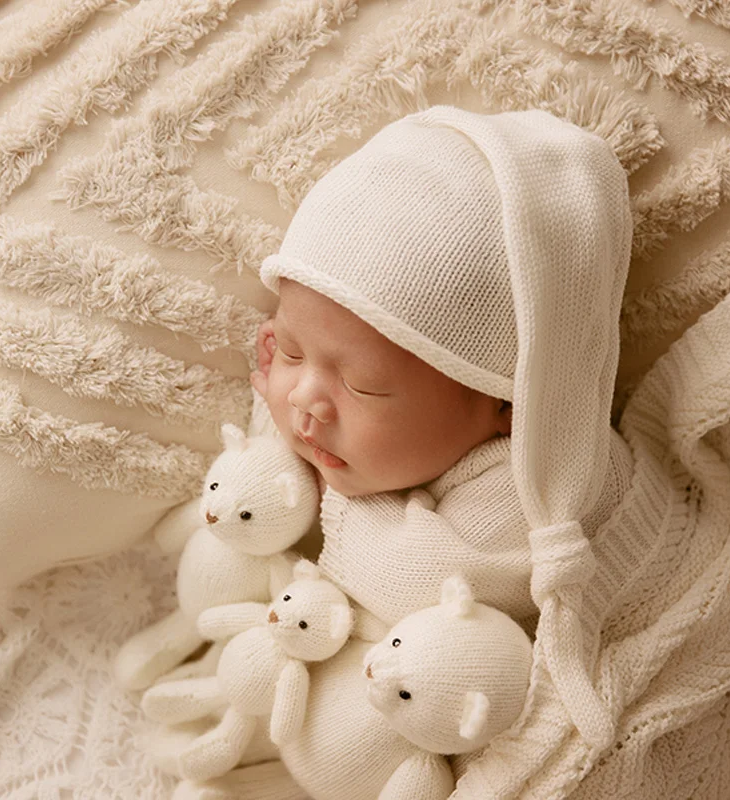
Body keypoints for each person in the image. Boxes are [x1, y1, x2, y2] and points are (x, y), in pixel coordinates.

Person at [189, 105, 636, 798]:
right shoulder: (354, 430)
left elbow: (409, 580)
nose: (303, 400)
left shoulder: (539, 486)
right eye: (288, 349)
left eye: (364, 386)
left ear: (504, 403)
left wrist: (320, 491)